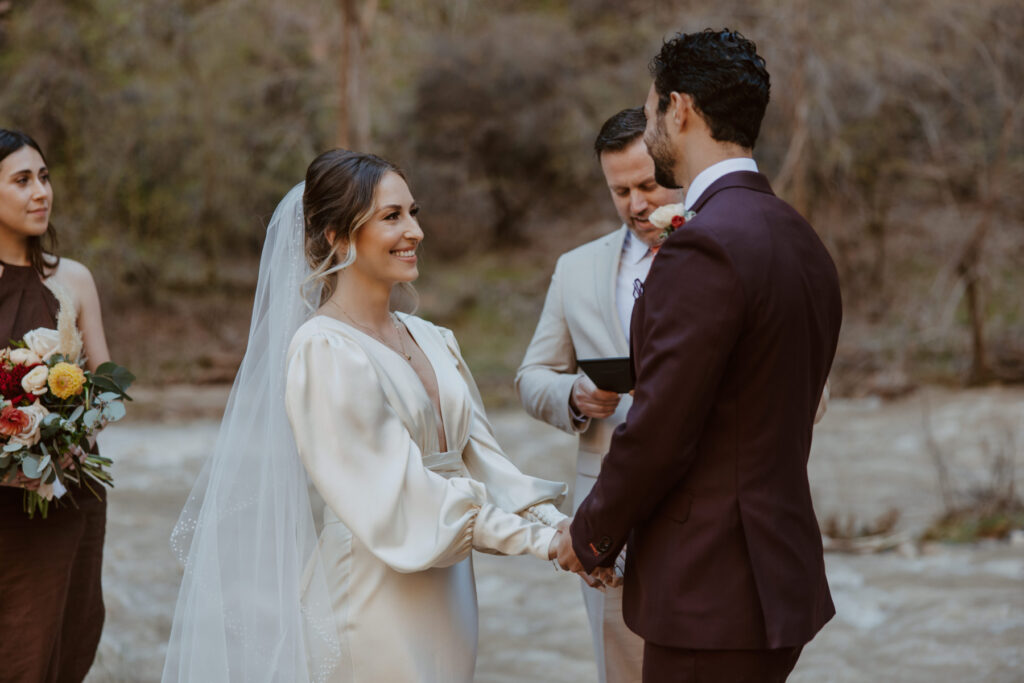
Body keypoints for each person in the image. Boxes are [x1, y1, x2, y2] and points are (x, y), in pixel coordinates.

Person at [163, 149, 571, 683]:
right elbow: (400, 493)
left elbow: (489, 466)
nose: (415, 231)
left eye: (414, 212)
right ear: (335, 234)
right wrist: (544, 544)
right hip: (373, 591)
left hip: (449, 587)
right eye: (391, 216)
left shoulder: (433, 337)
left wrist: (570, 529)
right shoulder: (323, 349)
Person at [552, 29, 842, 681]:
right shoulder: (801, 240)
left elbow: (660, 427)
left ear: (679, 109)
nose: (651, 121)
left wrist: (590, 532)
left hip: (712, 587)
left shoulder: (702, 246)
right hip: (778, 573)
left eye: (652, 108)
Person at [515, 106, 681, 683]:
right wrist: (575, 394)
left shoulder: (729, 251)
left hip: (707, 504)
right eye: (620, 191)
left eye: (648, 184)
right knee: (623, 670)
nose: (636, 204)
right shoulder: (576, 268)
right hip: (609, 515)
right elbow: (530, 376)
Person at [0, 129, 112, 683]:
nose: (41, 191)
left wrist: (62, 430)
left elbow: (109, 392)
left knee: (62, 640)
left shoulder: (73, 280)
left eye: (43, 177)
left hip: (68, 497)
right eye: (22, 180)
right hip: (1, 508)